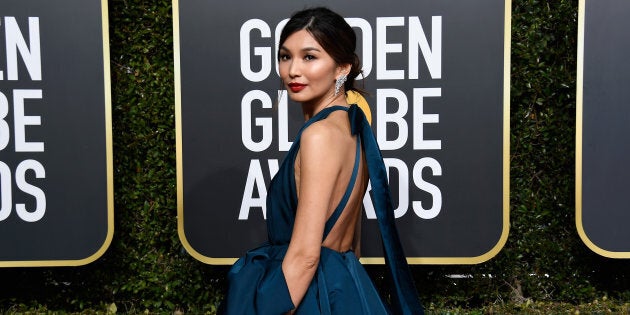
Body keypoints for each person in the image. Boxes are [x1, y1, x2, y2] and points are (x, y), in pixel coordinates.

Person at [220, 7, 424, 315]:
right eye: (285, 56)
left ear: (342, 67)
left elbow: (305, 256)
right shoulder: (353, 130)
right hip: (347, 290)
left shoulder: (318, 136)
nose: (292, 70)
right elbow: (352, 245)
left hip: (308, 297)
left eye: (310, 57)